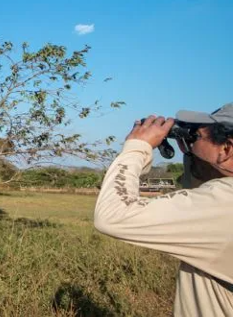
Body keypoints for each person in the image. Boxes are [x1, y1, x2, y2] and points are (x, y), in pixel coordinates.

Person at [94, 103, 233, 316]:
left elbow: (114, 215)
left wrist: (137, 147)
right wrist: (193, 154)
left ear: (227, 148)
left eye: (194, 138)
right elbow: (198, 193)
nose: (187, 148)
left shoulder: (224, 202)